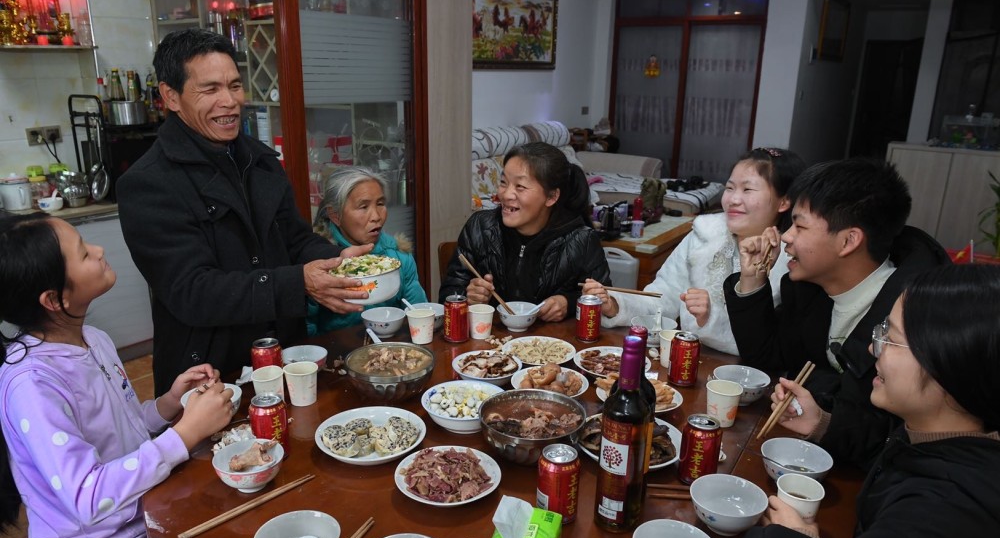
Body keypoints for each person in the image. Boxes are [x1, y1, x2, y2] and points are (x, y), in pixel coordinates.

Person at [736, 264, 1000, 538]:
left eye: (889, 337)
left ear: (948, 361)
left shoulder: (944, 518)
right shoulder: (944, 438)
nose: (873, 348)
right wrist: (823, 423)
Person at [0, 213, 235, 538]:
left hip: (147, 514)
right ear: (55, 300)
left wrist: (169, 404)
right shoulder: (32, 385)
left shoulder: (93, 339)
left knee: (247, 532)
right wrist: (185, 433)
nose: (100, 251)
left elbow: (121, 433)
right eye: (83, 253)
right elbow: (88, 497)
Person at [117, 28, 371, 395]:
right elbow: (192, 291)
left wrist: (337, 260)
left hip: (284, 350)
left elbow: (295, 239)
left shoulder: (261, 159)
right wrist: (298, 281)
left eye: (235, 86)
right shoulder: (149, 183)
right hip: (210, 371)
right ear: (171, 97)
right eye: (210, 89)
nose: (230, 101)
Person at [723, 158, 950, 469]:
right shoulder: (808, 290)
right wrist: (752, 278)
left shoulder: (915, 317)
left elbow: (907, 430)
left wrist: (826, 421)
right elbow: (768, 360)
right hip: (806, 452)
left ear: (848, 241)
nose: (786, 236)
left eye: (799, 226)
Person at [582, 148, 805, 354]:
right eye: (729, 188)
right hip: (688, 359)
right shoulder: (704, 233)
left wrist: (710, 318)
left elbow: (776, 345)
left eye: (747, 189)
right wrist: (616, 304)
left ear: (783, 201)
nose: (733, 199)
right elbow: (662, 297)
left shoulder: (795, 258)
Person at [439, 141, 611, 321]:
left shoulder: (582, 240)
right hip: (488, 344)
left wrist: (569, 302)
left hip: (550, 346)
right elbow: (448, 296)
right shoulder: (480, 227)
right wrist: (468, 297)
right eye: (504, 182)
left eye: (520, 186)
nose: (505, 195)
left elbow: (604, 305)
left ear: (551, 197)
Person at [307, 166, 427, 335]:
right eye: (363, 207)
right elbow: (305, 332)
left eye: (380, 204)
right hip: (336, 354)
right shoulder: (317, 264)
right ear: (335, 215)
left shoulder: (398, 257)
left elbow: (419, 314)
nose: (376, 216)